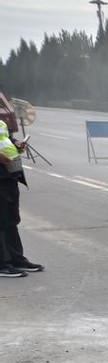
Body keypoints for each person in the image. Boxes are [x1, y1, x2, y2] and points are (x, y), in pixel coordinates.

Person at [0, 117, 38, 278]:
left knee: (11, 219)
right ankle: (3, 263)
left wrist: (17, 145)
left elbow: (6, 139)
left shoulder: (1, 123)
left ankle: (16, 258)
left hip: (9, 175)